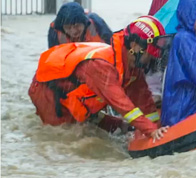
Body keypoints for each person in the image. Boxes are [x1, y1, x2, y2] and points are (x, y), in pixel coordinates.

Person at [29, 15, 172, 140]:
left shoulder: (132, 66)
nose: (151, 59)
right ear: (134, 46)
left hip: (73, 92)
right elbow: (121, 103)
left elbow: (143, 99)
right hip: (47, 91)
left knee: (115, 126)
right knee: (65, 135)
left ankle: (105, 122)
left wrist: (156, 125)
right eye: (150, 54)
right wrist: (151, 130)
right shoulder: (102, 66)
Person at [48, 2, 113, 48]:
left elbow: (113, 46)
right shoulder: (55, 30)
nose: (73, 31)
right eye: (68, 27)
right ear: (62, 28)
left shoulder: (95, 22)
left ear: (84, 23)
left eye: (77, 26)